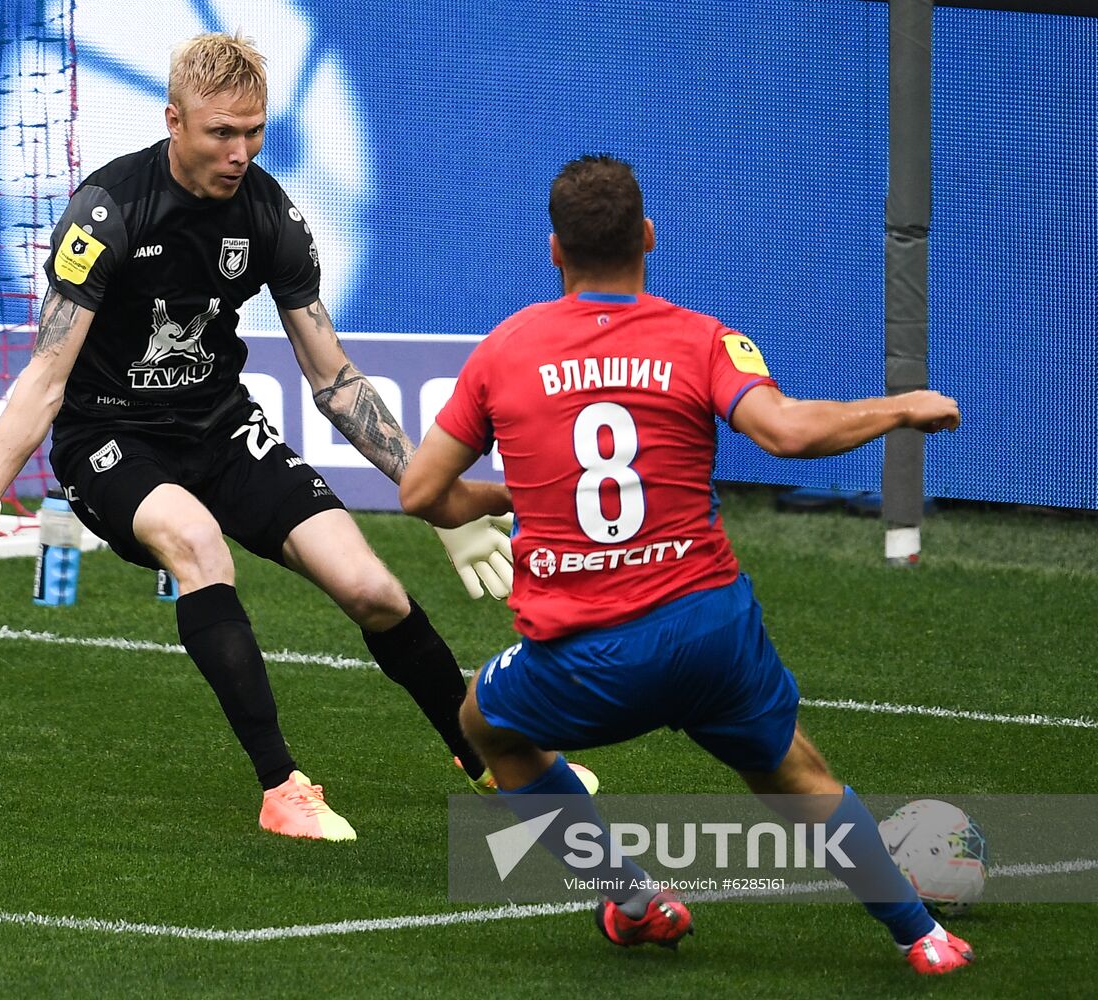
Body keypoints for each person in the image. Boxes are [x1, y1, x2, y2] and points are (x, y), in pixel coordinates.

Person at [0, 31, 527, 843]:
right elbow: (45, 377)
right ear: (174, 121)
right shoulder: (107, 213)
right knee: (196, 542)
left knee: (372, 590)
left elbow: (334, 379)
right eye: (220, 133)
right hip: (110, 441)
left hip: (219, 427)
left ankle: (486, 761)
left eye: (254, 132)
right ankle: (281, 786)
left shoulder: (271, 213)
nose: (239, 151)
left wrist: (437, 497)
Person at [400, 154, 973, 975]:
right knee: (794, 772)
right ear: (647, 237)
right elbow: (787, 432)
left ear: (553, 251)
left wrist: (498, 497)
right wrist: (901, 407)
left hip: (580, 657)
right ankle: (922, 937)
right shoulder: (704, 339)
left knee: (485, 726)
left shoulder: (504, 352)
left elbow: (422, 493)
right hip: (707, 630)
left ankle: (634, 903)